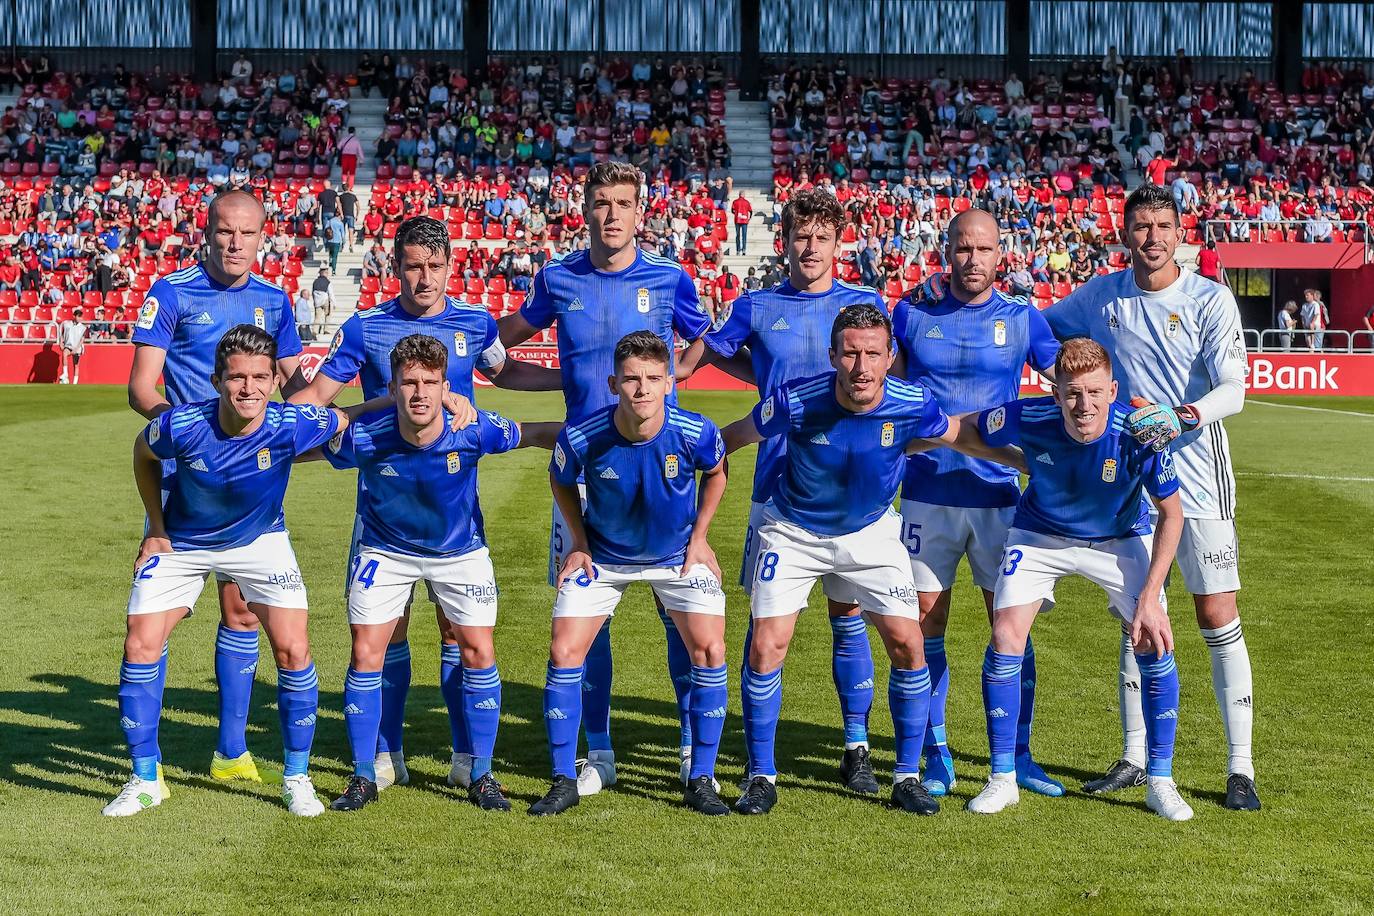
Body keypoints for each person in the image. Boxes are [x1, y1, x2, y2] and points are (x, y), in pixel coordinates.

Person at [720, 304, 1025, 816]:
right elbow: (726, 442)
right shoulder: (795, 400)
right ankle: (760, 776)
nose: (861, 366)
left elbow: (960, 436)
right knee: (767, 645)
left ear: (889, 357)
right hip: (794, 531)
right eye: (850, 353)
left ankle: (906, 776)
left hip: (871, 532)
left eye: (872, 354)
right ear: (832, 355)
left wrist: (1026, 463)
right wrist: (694, 524)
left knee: (909, 644)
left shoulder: (912, 402)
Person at [291, 215, 559, 792]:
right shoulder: (365, 328)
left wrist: (572, 379)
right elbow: (317, 401)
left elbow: (505, 372)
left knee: (456, 634)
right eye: (413, 266)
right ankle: (386, 754)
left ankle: (466, 756)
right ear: (396, 266)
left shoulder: (475, 322)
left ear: (450, 266)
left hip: (454, 507)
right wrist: (269, 426)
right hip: (382, 505)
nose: (425, 278)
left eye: (436, 266)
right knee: (385, 635)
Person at [497, 162, 713, 798]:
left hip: (661, 469)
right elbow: (497, 349)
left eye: (623, 203)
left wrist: (676, 377)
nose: (611, 214)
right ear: (584, 208)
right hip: (585, 471)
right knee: (587, 621)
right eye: (601, 202)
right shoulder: (557, 278)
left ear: (640, 211)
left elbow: (705, 339)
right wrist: (554, 378)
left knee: (680, 615)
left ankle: (688, 746)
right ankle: (599, 752)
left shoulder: (670, 277)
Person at [1046, 182, 1260, 811]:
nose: (1152, 237)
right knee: (1138, 615)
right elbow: (1042, 333)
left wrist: (1181, 415)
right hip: (1133, 478)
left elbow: (1235, 389)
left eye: (1163, 226)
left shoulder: (1209, 299)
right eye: (1141, 226)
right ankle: (1136, 757)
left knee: (1216, 615)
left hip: (1199, 475)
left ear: (1179, 232)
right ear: (1125, 233)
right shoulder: (1102, 296)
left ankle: (1240, 767)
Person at [680, 188, 888, 794]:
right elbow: (710, 353)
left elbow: (888, 375)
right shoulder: (757, 304)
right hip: (778, 486)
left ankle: (856, 745)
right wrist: (674, 371)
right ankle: (759, 755)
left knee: (848, 616)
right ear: (784, 242)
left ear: (838, 243)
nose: (811, 247)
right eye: (802, 236)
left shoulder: (864, 305)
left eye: (822, 237)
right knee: (768, 625)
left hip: (852, 484)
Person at [104, 325, 360, 818]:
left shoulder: (292, 422)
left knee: (294, 648)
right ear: (217, 380)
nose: (249, 388)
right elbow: (142, 451)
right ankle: (145, 779)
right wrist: (155, 528)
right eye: (237, 377)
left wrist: (428, 403)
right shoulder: (182, 424)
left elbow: (345, 418)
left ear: (274, 381)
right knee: (139, 643)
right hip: (183, 542)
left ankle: (297, 777)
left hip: (260, 541)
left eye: (260, 377)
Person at [321, 334, 558, 813]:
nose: (420, 393)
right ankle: (365, 774)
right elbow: (303, 442)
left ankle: (480, 772)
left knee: (478, 650)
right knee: (366, 652)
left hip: (459, 552)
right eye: (409, 383)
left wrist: (600, 436)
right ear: (393, 388)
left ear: (446, 387)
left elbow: (533, 432)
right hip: (386, 552)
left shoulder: (473, 429)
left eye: (430, 383)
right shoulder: (366, 437)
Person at [964, 336, 1193, 821]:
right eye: (1071, 393)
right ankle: (1002, 778)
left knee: (1154, 638)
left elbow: (1172, 515)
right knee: (1005, 635)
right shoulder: (1029, 416)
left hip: (1119, 538)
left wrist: (1150, 597)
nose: (1083, 405)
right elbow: (968, 428)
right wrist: (907, 437)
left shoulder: (1140, 433)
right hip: (1040, 534)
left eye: (1093, 392)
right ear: (1055, 394)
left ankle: (1160, 780)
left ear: (1112, 391)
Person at [128, 190, 307, 786]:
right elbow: (142, 388)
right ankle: (146, 767)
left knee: (242, 612)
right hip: (184, 482)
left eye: (247, 234)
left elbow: (295, 385)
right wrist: (190, 435)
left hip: (248, 483)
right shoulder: (172, 292)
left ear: (262, 238)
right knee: (152, 626)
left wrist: (320, 417)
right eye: (225, 232)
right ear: (206, 233)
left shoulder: (274, 301)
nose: (235, 244)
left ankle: (231, 752)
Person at [891, 208, 1061, 799]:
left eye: (984, 249)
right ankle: (935, 752)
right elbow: (887, 389)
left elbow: (1071, 380)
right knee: (925, 623)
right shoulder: (910, 313)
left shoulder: (1022, 318)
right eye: (963, 248)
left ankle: (1019, 754)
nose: (973, 259)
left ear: (1000, 254)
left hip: (999, 497)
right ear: (947, 250)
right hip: (927, 491)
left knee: (1009, 623)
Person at [531, 331, 729, 817]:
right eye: (632, 379)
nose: (642, 389)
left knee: (709, 650)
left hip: (676, 556)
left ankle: (700, 775)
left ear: (669, 383)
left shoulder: (696, 431)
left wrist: (701, 536)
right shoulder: (582, 436)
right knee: (564, 650)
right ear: (613, 383)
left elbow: (717, 471)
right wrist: (579, 542)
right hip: (604, 558)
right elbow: (559, 478)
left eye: (653, 379)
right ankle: (568, 776)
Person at [57, 305, 88, 384]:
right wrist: (61, 342)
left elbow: (82, 340)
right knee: (64, 353)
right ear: (74, 316)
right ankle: (65, 374)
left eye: (81, 317)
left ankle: (75, 383)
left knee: (76, 365)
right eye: (78, 316)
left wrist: (76, 349)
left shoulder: (83, 327)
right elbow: (62, 333)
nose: (80, 318)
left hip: (77, 347)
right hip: (69, 345)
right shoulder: (66, 324)